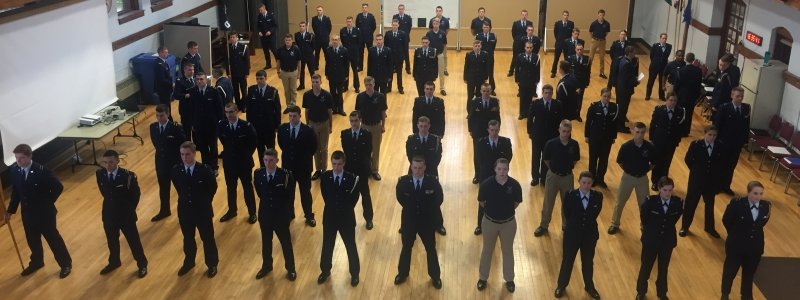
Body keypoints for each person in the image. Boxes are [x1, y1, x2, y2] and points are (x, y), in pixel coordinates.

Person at [6, 144, 72, 278]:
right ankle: (37, 262)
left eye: (22, 158)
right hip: (27, 213)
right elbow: (16, 192)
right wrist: (10, 211)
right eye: (16, 158)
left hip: (44, 213)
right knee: (32, 239)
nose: (18, 161)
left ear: (30, 156)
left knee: (53, 238)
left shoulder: (42, 171)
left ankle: (65, 264)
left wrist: (48, 202)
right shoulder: (15, 171)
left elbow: (58, 187)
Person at [95, 150, 148, 278]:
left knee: (133, 241)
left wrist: (129, 209)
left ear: (118, 161)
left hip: (125, 215)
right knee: (112, 241)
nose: (108, 165)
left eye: (111, 162)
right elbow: (105, 193)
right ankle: (114, 262)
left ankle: (142, 264)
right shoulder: (100, 174)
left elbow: (135, 195)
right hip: (108, 214)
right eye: (105, 162)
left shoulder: (128, 176)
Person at [394, 157, 444, 289]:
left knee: (430, 248)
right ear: (411, 167)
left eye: (420, 168)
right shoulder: (403, 182)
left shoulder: (432, 182)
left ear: (425, 168)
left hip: (426, 222)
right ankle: (402, 273)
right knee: (406, 247)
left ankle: (435, 276)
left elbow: (439, 199)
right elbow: (400, 198)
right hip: (409, 221)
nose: (417, 170)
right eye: (415, 167)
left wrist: (427, 211)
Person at [172, 141, 219, 278]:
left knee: (208, 238)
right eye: (182, 154)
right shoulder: (176, 170)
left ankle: (212, 264)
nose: (184, 157)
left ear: (194, 154)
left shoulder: (204, 170)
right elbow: (179, 188)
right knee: (188, 238)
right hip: (185, 210)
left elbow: (212, 188)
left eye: (187, 154)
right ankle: (189, 262)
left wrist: (204, 201)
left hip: (202, 211)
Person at [477, 158, 522, 293]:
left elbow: (516, 203)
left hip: (508, 224)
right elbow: (481, 202)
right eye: (499, 169)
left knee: (507, 250)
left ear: (508, 169)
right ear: (495, 169)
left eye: (505, 169)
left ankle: (509, 279)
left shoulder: (515, 185)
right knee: (487, 250)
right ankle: (483, 278)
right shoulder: (486, 184)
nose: (502, 172)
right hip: (489, 223)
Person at [554, 171, 602, 299]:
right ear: (579, 182)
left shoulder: (598, 196)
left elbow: (594, 214)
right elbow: (567, 213)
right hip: (572, 235)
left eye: (589, 183)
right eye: (584, 182)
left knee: (588, 262)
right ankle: (561, 285)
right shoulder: (570, 195)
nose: (586, 186)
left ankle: (589, 286)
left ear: (592, 184)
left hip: (589, 235)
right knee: (568, 260)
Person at [721, 181, 771, 300]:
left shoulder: (766, 206)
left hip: (755, 247)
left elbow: (761, 223)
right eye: (755, 193)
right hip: (736, 246)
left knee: (749, 274)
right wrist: (735, 234)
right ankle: (725, 294)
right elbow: (726, 220)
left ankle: (746, 295)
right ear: (748, 192)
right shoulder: (737, 204)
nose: (758, 196)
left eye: (760, 193)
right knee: (730, 272)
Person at [253, 148, 298, 281]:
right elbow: (260, 192)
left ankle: (291, 268)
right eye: (265, 160)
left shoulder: (285, 175)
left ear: (277, 161)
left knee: (286, 243)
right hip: (265, 215)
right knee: (266, 243)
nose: (268, 163)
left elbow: (290, 195)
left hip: (281, 216)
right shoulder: (258, 174)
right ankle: (267, 266)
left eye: (271, 160)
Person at [318, 151, 361, 287]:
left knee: (350, 246)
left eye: (339, 164)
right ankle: (325, 271)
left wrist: (343, 209)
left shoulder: (352, 179)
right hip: (330, 217)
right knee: (327, 245)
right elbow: (325, 195)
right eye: (334, 164)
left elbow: (354, 199)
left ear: (344, 163)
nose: (336, 167)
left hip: (346, 218)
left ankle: (354, 273)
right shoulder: (325, 177)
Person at [635, 176, 683, 300]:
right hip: (651, 240)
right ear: (659, 189)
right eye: (665, 190)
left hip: (667, 241)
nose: (668, 193)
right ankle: (641, 292)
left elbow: (674, 219)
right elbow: (644, 218)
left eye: (670, 190)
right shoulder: (650, 202)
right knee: (646, 266)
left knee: (663, 269)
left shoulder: (677, 203)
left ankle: (662, 293)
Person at [608, 122, 656, 234]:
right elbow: (620, 161)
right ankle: (614, 224)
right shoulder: (626, 146)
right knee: (619, 202)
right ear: (633, 132)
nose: (640, 135)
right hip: (627, 178)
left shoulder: (649, 147)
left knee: (644, 204)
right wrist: (628, 170)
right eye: (637, 132)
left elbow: (653, 163)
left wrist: (645, 171)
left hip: (642, 179)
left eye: (642, 132)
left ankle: (644, 225)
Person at [535, 120, 580, 237]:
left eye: (568, 131)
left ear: (570, 132)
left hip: (567, 177)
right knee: (548, 202)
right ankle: (544, 225)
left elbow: (575, 160)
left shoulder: (574, 145)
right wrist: (554, 169)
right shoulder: (551, 143)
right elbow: (546, 160)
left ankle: (566, 226)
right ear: (559, 130)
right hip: (553, 176)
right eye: (563, 131)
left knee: (567, 203)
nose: (565, 134)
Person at [217, 103, 258, 223]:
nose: (229, 115)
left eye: (231, 112)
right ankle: (232, 210)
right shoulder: (222, 125)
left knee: (247, 188)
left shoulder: (246, 126)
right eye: (227, 112)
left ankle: (252, 213)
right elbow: (223, 140)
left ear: (237, 112)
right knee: (230, 188)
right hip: (229, 162)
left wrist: (246, 154)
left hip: (244, 162)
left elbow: (253, 142)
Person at [277, 106, 318, 225]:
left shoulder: (308, 130)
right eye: (290, 116)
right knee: (289, 193)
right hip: (288, 167)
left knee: (305, 193)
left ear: (300, 116)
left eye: (294, 116)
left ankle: (309, 215)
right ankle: (290, 214)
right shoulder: (282, 129)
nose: (292, 118)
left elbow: (313, 147)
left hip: (304, 167)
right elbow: (282, 145)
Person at [681, 125, 725, 238]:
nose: (712, 137)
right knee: (690, 204)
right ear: (705, 133)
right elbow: (688, 160)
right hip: (696, 180)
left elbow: (720, 164)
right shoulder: (696, 145)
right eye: (710, 134)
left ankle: (709, 227)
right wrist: (696, 171)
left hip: (710, 182)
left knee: (710, 205)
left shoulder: (719, 146)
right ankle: (684, 227)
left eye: (714, 135)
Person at [474, 120, 513, 235]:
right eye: (492, 130)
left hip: (501, 175)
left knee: (501, 198)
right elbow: (479, 160)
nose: (494, 132)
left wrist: (500, 171)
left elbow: (508, 157)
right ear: (488, 130)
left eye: (496, 130)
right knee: (483, 199)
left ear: (499, 130)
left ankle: (499, 223)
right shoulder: (481, 142)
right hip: (486, 175)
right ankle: (480, 225)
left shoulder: (505, 142)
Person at [150, 105, 187, 221]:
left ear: (168, 114)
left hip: (175, 164)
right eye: (157, 116)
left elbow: (183, 145)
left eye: (161, 115)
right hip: (161, 163)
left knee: (181, 189)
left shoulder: (176, 127)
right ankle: (164, 210)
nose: (159, 118)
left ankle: (186, 211)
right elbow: (156, 144)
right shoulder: (153, 127)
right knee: (163, 189)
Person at [341, 111, 374, 229]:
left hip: (362, 170)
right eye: (352, 121)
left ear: (360, 120)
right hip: (349, 170)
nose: (354, 123)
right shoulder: (344, 134)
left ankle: (369, 219)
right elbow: (346, 151)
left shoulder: (366, 134)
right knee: (348, 196)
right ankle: (348, 219)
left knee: (365, 195)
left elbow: (368, 151)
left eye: (356, 120)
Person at [714, 87, 750, 195]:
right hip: (724, 142)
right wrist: (716, 140)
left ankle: (726, 186)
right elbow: (717, 125)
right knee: (721, 165)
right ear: (732, 96)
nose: (740, 99)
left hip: (736, 144)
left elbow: (746, 126)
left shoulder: (745, 108)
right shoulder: (724, 108)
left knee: (731, 166)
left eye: (741, 96)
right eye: (737, 96)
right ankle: (716, 186)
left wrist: (745, 141)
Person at [528, 84, 563, 186]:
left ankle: (544, 178)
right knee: (536, 156)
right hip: (537, 135)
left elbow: (560, 120)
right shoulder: (536, 103)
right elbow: (530, 119)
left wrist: (559, 135)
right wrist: (530, 132)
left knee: (547, 157)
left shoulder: (557, 104)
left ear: (552, 94)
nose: (548, 95)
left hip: (551, 136)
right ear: (542, 93)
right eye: (546, 93)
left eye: (550, 93)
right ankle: (535, 177)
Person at [649, 93, 686, 191]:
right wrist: (651, 139)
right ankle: (655, 182)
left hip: (671, 143)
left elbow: (680, 128)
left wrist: (677, 140)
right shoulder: (659, 110)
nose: (673, 102)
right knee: (657, 162)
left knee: (666, 163)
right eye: (671, 100)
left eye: (675, 100)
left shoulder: (680, 111)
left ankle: (664, 182)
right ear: (666, 100)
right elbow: (653, 125)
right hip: (659, 141)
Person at [189, 72, 224, 174]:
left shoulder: (213, 91)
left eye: (201, 79)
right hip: (199, 126)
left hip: (212, 125)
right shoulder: (193, 92)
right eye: (198, 79)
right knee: (202, 147)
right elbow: (191, 109)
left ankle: (214, 167)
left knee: (213, 147)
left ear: (206, 80)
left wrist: (220, 123)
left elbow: (219, 108)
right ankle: (206, 166)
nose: (199, 81)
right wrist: (192, 124)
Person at [246, 70, 282, 167]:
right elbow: (249, 109)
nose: (259, 81)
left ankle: (273, 167)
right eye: (257, 79)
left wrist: (277, 126)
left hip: (269, 127)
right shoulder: (251, 90)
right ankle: (263, 168)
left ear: (266, 78)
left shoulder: (273, 91)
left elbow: (277, 110)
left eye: (261, 79)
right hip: (256, 127)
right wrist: (248, 125)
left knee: (271, 149)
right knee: (260, 149)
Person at [584, 88, 618, 188]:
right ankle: (592, 179)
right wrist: (587, 136)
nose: (607, 98)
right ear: (601, 96)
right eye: (605, 96)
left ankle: (600, 179)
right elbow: (588, 122)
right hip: (594, 138)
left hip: (607, 139)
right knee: (593, 159)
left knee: (604, 160)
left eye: (608, 96)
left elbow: (614, 124)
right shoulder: (594, 107)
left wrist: (613, 137)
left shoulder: (614, 107)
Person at [355, 76, 387, 181]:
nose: (368, 87)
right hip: (364, 126)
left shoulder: (380, 96)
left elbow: (383, 112)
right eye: (366, 85)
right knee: (365, 149)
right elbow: (358, 113)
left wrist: (383, 125)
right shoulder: (360, 97)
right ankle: (367, 169)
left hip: (376, 126)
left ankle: (375, 170)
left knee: (376, 149)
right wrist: (358, 126)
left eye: (370, 84)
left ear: (374, 84)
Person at [303, 74, 334, 180]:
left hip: (324, 123)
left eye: (317, 82)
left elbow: (330, 111)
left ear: (321, 82)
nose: (315, 84)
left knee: (324, 148)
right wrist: (307, 124)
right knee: (315, 148)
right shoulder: (307, 95)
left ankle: (324, 169)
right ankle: (318, 169)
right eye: (313, 82)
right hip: (312, 124)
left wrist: (330, 125)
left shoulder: (327, 95)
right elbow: (306, 110)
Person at [468, 84, 501, 184]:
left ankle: (491, 175)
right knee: (477, 154)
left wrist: (497, 129)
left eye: (488, 91)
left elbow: (498, 117)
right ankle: (477, 175)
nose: (486, 93)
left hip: (491, 132)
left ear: (491, 91)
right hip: (478, 132)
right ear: (481, 91)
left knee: (491, 153)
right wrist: (471, 130)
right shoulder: (475, 102)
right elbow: (471, 117)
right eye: (484, 91)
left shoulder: (495, 102)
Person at [673, 52, 703, 136]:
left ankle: (679, 129)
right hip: (692, 95)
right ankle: (686, 131)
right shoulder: (698, 71)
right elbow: (698, 84)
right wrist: (697, 96)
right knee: (689, 113)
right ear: (693, 60)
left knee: (680, 112)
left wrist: (675, 92)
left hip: (682, 94)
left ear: (685, 59)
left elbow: (677, 83)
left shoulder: (681, 69)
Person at [614, 46, 640, 133]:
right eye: (634, 52)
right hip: (624, 90)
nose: (635, 53)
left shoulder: (623, 60)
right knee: (622, 108)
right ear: (630, 53)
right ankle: (620, 126)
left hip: (621, 88)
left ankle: (619, 124)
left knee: (621, 107)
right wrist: (636, 82)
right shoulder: (627, 64)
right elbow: (627, 79)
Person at [515, 41, 541, 120]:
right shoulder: (520, 57)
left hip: (532, 81)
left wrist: (537, 80)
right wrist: (517, 79)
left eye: (530, 48)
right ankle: (522, 113)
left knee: (530, 98)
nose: (529, 49)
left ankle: (529, 113)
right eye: (527, 47)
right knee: (523, 97)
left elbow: (537, 69)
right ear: (525, 48)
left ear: (532, 48)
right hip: (523, 80)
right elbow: (517, 69)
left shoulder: (536, 57)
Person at [324, 35, 350, 115]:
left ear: (339, 41)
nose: (334, 41)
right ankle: (334, 108)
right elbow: (327, 63)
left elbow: (346, 64)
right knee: (332, 93)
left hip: (340, 75)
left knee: (339, 93)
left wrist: (346, 75)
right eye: (333, 40)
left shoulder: (344, 50)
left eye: (336, 40)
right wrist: (326, 74)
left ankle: (341, 109)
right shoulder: (328, 50)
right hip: (331, 75)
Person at [276, 34, 301, 110]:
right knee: (286, 90)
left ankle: (293, 105)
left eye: (289, 40)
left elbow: (299, 62)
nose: (288, 41)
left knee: (293, 90)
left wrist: (299, 73)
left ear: (292, 40)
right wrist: (278, 72)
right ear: (284, 41)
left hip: (293, 72)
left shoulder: (296, 49)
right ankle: (288, 105)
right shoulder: (280, 50)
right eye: (286, 40)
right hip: (284, 72)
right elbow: (278, 61)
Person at [567, 43, 591, 121]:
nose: (579, 51)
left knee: (579, 99)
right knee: (571, 98)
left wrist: (586, 83)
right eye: (578, 49)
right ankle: (570, 113)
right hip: (572, 82)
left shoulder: (587, 59)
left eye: (581, 49)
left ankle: (577, 114)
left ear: (583, 50)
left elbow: (588, 72)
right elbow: (568, 72)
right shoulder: (570, 58)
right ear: (575, 50)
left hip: (582, 83)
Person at [463, 40, 490, 110]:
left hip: (480, 78)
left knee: (479, 95)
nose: (477, 47)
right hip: (471, 78)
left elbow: (486, 67)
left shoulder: (485, 54)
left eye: (478, 46)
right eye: (475, 46)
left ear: (481, 46)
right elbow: (466, 67)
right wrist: (465, 78)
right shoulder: (469, 54)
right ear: (473, 47)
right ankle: (469, 111)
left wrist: (486, 77)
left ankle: (479, 110)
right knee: (470, 95)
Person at [384, 19, 409, 94]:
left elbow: (405, 47)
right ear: (391, 25)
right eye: (393, 25)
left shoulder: (403, 34)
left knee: (399, 73)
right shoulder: (388, 34)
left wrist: (404, 57)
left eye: (396, 25)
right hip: (390, 58)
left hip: (399, 57)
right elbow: (385, 46)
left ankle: (400, 88)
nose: (394, 26)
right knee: (390, 73)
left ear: (398, 25)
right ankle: (389, 87)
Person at [646, 33, 672, 101]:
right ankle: (648, 95)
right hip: (654, 66)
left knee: (662, 82)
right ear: (660, 38)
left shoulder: (669, 46)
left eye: (665, 38)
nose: (664, 40)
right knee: (651, 81)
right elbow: (651, 55)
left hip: (663, 67)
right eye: (663, 38)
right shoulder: (655, 46)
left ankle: (661, 96)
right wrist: (655, 62)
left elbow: (667, 56)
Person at [227, 32, 250, 105]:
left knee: (243, 90)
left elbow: (247, 61)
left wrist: (247, 72)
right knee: (235, 90)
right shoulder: (228, 49)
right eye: (231, 37)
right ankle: (237, 105)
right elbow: (227, 62)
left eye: (234, 37)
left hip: (242, 73)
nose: (232, 39)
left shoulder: (243, 47)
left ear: (237, 38)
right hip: (233, 73)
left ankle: (245, 105)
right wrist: (228, 73)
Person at [340, 17, 362, 92]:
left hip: (354, 54)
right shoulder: (343, 31)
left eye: (350, 22)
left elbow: (359, 42)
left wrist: (356, 52)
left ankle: (357, 87)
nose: (349, 23)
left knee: (355, 71)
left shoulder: (357, 31)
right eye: (348, 21)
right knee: (345, 70)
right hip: (345, 54)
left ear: (352, 22)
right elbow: (342, 42)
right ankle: (345, 87)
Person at [426, 18, 448, 96]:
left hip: (440, 55)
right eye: (434, 23)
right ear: (432, 24)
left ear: (439, 24)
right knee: (431, 72)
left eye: (437, 23)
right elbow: (426, 44)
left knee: (441, 73)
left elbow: (445, 44)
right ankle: (431, 88)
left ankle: (442, 88)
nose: (435, 25)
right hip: (431, 56)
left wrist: (443, 54)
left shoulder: (442, 33)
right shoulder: (429, 33)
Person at [507, 10, 532, 76]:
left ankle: (524, 71)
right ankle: (511, 71)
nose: (524, 16)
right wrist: (517, 40)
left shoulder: (530, 23)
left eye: (525, 15)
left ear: (527, 15)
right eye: (523, 14)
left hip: (526, 44)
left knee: (525, 57)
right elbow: (513, 33)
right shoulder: (516, 23)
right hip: (517, 44)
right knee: (515, 57)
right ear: (521, 15)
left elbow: (530, 32)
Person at [587, 10, 610, 79]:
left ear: (604, 15)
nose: (601, 16)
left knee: (602, 58)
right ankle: (588, 72)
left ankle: (601, 73)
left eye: (602, 15)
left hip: (602, 41)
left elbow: (606, 32)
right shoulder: (594, 23)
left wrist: (602, 37)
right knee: (590, 57)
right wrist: (592, 39)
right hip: (594, 41)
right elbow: (590, 32)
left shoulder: (607, 24)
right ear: (598, 15)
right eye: (600, 15)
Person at [173, 62, 195, 136]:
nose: (192, 72)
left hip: (195, 109)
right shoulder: (180, 81)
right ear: (184, 70)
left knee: (196, 132)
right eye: (189, 70)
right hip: (186, 110)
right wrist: (186, 95)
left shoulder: (196, 79)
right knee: (187, 131)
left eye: (192, 70)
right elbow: (176, 95)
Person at [551, 11, 575, 78]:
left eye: (567, 15)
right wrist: (559, 39)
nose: (566, 16)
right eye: (564, 15)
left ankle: (567, 73)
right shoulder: (557, 23)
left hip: (567, 44)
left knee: (567, 59)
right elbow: (555, 33)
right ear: (562, 16)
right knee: (556, 58)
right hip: (559, 43)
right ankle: (553, 72)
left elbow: (571, 34)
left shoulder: (571, 24)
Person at [429, 6, 451, 76]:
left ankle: (445, 69)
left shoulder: (446, 20)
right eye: (437, 11)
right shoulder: (432, 20)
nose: (438, 12)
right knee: (433, 56)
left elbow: (447, 30)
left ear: (442, 11)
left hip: (442, 41)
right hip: (433, 42)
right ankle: (433, 68)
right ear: (436, 11)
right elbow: (430, 31)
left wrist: (442, 37)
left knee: (444, 56)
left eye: (440, 11)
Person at [477, 23, 498, 95]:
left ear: (489, 28)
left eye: (487, 27)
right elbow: (477, 47)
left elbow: (493, 46)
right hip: (482, 58)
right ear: (482, 28)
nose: (486, 28)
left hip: (490, 58)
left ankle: (492, 89)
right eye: (484, 27)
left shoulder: (493, 36)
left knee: (491, 74)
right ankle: (481, 89)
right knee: (481, 73)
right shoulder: (478, 36)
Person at [294, 21, 316, 91]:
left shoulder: (310, 35)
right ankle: (302, 85)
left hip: (309, 56)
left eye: (303, 26)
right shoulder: (296, 35)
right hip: (301, 56)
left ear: (306, 27)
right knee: (301, 71)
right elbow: (297, 45)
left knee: (312, 72)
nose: (302, 27)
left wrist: (309, 52)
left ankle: (314, 86)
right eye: (300, 26)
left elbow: (313, 46)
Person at [355, 3, 376, 72]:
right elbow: (357, 25)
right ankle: (360, 67)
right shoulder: (359, 16)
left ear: (367, 8)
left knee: (371, 52)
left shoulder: (371, 17)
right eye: (363, 7)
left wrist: (369, 33)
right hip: (360, 38)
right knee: (360, 53)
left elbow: (374, 27)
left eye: (365, 7)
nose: (364, 9)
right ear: (362, 8)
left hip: (369, 38)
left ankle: (371, 67)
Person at [392, 4, 412, 74]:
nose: (400, 10)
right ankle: (395, 67)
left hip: (405, 39)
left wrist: (405, 36)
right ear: (398, 9)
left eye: (402, 9)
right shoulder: (395, 17)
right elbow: (394, 27)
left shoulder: (408, 17)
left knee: (406, 53)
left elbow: (409, 28)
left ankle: (408, 68)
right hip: (396, 38)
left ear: (404, 9)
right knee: (396, 53)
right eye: (399, 9)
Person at [256, 4, 277, 69]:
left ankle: (279, 63)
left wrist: (270, 31)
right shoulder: (259, 16)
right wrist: (259, 32)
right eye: (259, 10)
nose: (260, 11)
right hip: (263, 36)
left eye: (261, 10)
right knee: (265, 51)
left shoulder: (271, 15)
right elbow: (258, 26)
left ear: (264, 8)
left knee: (274, 50)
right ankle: (268, 64)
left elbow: (275, 26)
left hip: (271, 36)